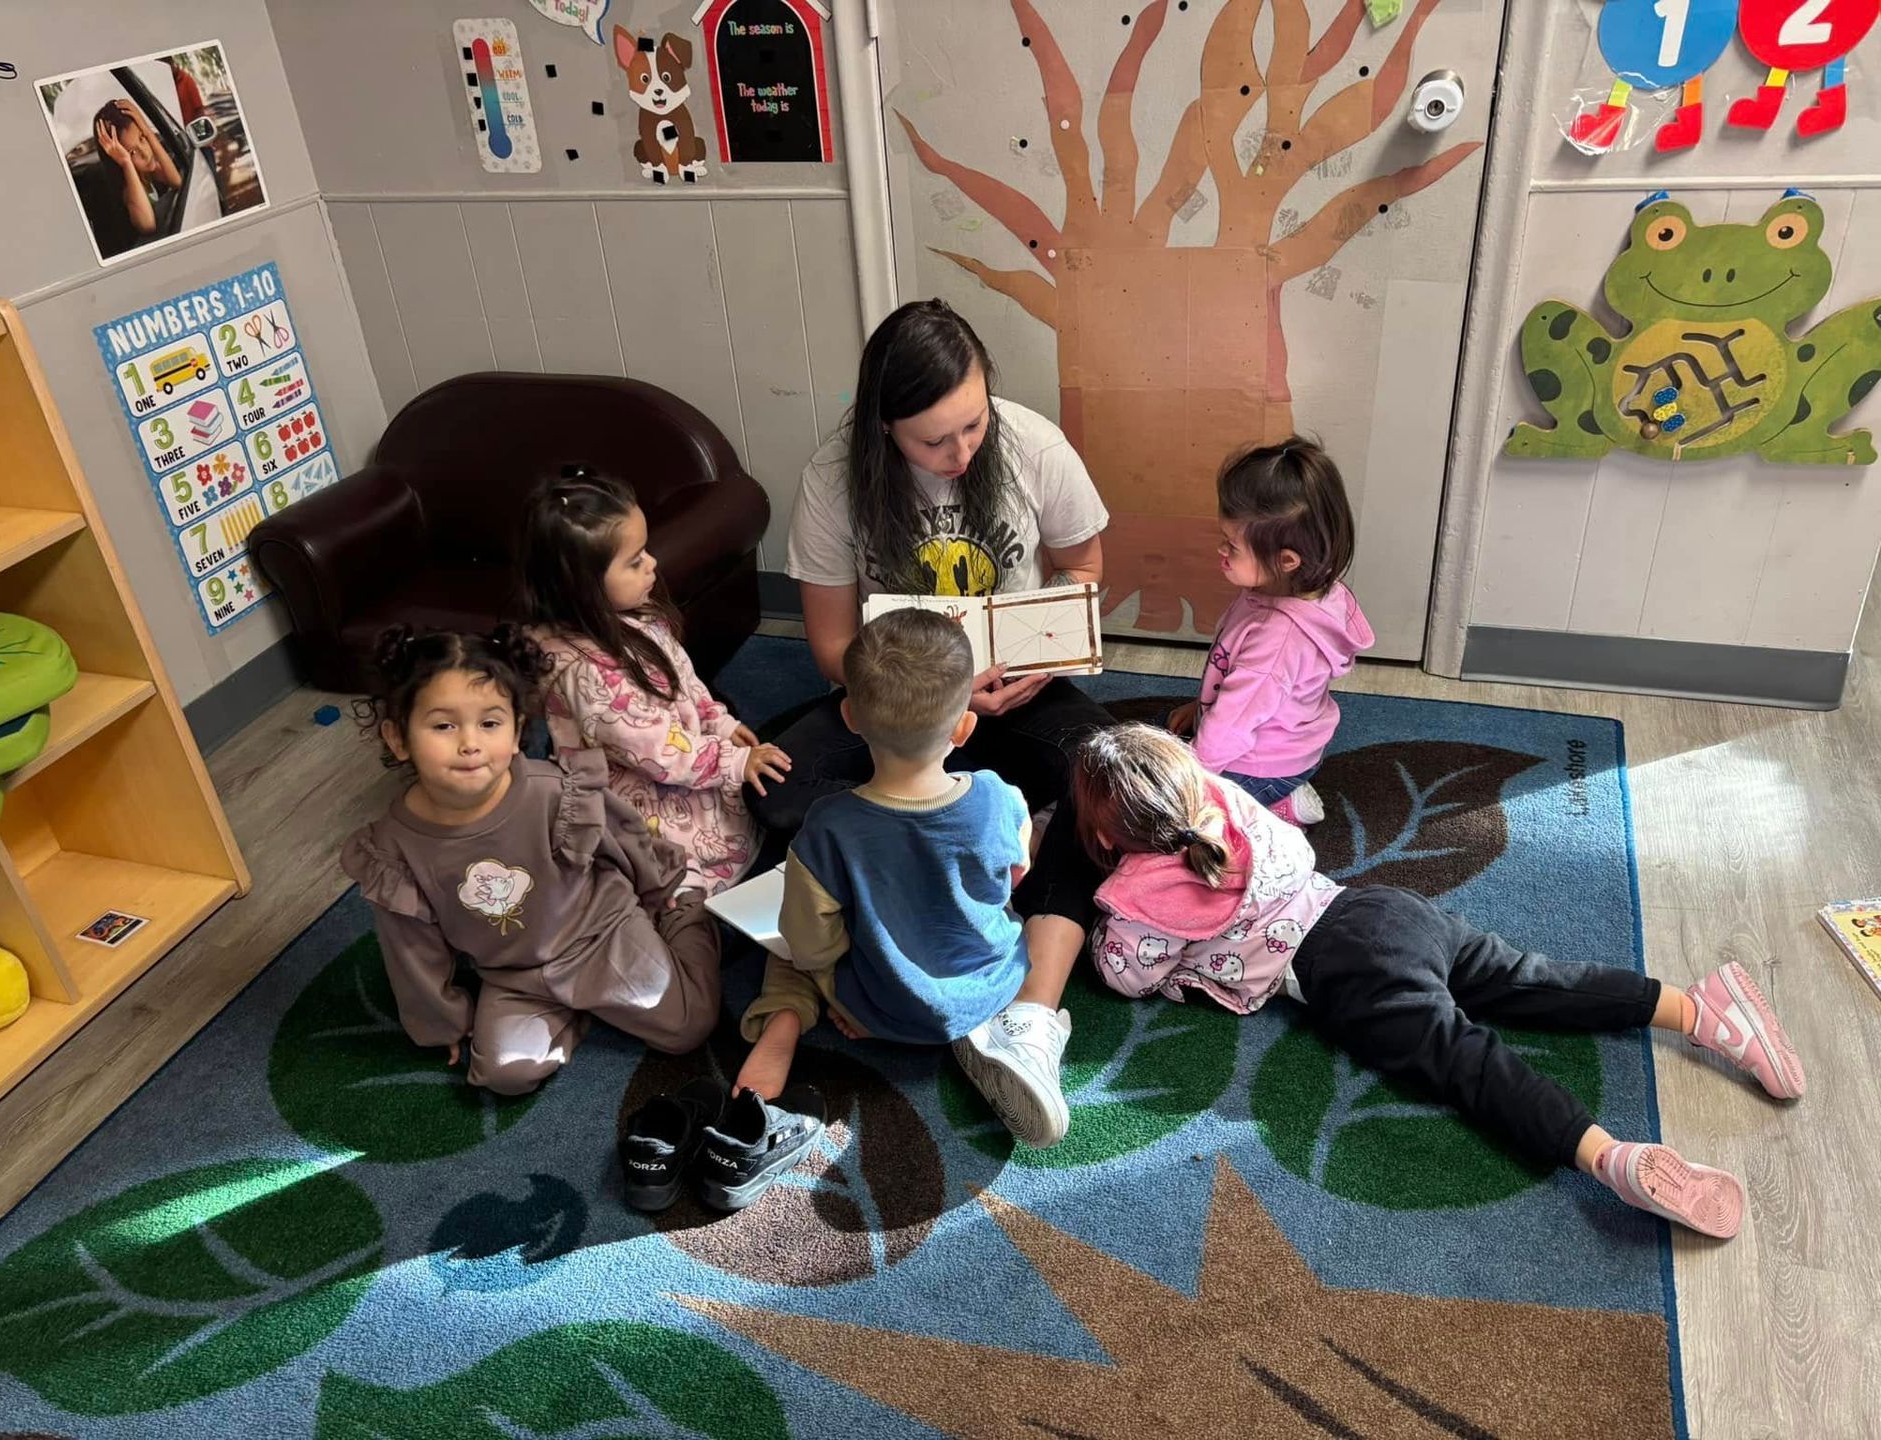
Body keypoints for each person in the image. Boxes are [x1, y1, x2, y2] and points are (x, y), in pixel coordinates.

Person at [1071, 723, 1805, 1238]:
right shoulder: (1224, 803)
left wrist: (1105, 914)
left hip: (1343, 971)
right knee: (1530, 979)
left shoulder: (1141, 890)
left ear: (1107, 836)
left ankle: (1604, 1155)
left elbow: (1126, 976)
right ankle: (1697, 1009)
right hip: (1380, 907)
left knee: (1466, 1060)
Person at [751, 298, 1116, 1146]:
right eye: (933, 440)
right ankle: (958, 861)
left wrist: (1040, 660)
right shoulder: (833, 477)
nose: (960, 454)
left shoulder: (1030, 444)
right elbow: (834, 644)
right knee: (779, 791)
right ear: (884, 429)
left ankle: (1030, 1014)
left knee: (1108, 777)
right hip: (902, 705)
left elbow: (1083, 567)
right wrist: (931, 696)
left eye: (972, 426)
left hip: (1014, 690)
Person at [340, 625, 722, 1095]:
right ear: (398, 739)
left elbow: (624, 838)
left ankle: (689, 910)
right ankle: (576, 1008)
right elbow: (410, 949)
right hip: (514, 976)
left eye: (490, 723)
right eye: (443, 725)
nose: (469, 743)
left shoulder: (552, 791)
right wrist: (444, 1024)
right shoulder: (393, 847)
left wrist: (660, 890)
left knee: (687, 1029)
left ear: (518, 731)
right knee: (502, 1075)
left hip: (603, 936)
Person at [733, 611, 1063, 1143]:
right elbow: (1014, 879)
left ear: (851, 717)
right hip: (992, 984)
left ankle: (784, 1020)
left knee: (785, 947)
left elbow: (813, 948)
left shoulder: (827, 826)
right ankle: (978, 1027)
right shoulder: (1002, 797)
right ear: (964, 726)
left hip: (880, 1007)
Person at [523, 477, 788, 895]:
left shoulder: (633, 615)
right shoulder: (587, 675)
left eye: (645, 551)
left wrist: (716, 721)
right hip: (643, 792)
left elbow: (684, 679)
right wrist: (730, 761)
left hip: (681, 751)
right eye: (633, 561)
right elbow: (656, 752)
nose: (652, 564)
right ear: (582, 586)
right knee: (673, 865)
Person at [1167, 438, 1372, 827]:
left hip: (1260, 765)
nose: (1220, 551)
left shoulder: (1276, 642)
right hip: (1291, 742)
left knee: (1171, 815)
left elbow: (1232, 724)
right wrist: (1200, 709)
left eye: (1232, 546)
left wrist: (1188, 780)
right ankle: (1282, 787)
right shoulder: (1297, 586)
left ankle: (1275, 810)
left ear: (1286, 561)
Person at [92, 96, 184, 243]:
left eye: (142, 138)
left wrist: (147, 130)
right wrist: (126, 162)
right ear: (116, 158)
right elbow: (148, 226)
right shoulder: (128, 191)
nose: (145, 153)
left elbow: (177, 182)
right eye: (132, 152)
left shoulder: (147, 172)